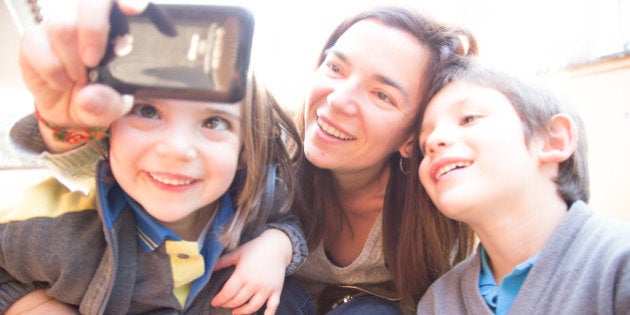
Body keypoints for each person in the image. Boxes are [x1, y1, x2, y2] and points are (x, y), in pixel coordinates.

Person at [9, 2, 478, 314]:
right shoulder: (264, 148)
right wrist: (60, 118)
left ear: (410, 139)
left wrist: (276, 244)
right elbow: (99, 159)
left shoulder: (437, 204)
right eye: (335, 67)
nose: (338, 100)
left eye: (381, 94)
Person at [3, 2, 311, 315]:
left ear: (244, 151)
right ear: (107, 131)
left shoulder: (257, 202)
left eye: (214, 122)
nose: (177, 148)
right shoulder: (57, 233)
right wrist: (35, 306)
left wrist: (278, 245)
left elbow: (286, 221)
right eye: (148, 111)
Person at [414, 57, 630, 314]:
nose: (434, 140)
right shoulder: (438, 302)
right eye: (424, 141)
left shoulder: (619, 264)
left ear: (553, 140)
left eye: (468, 119)